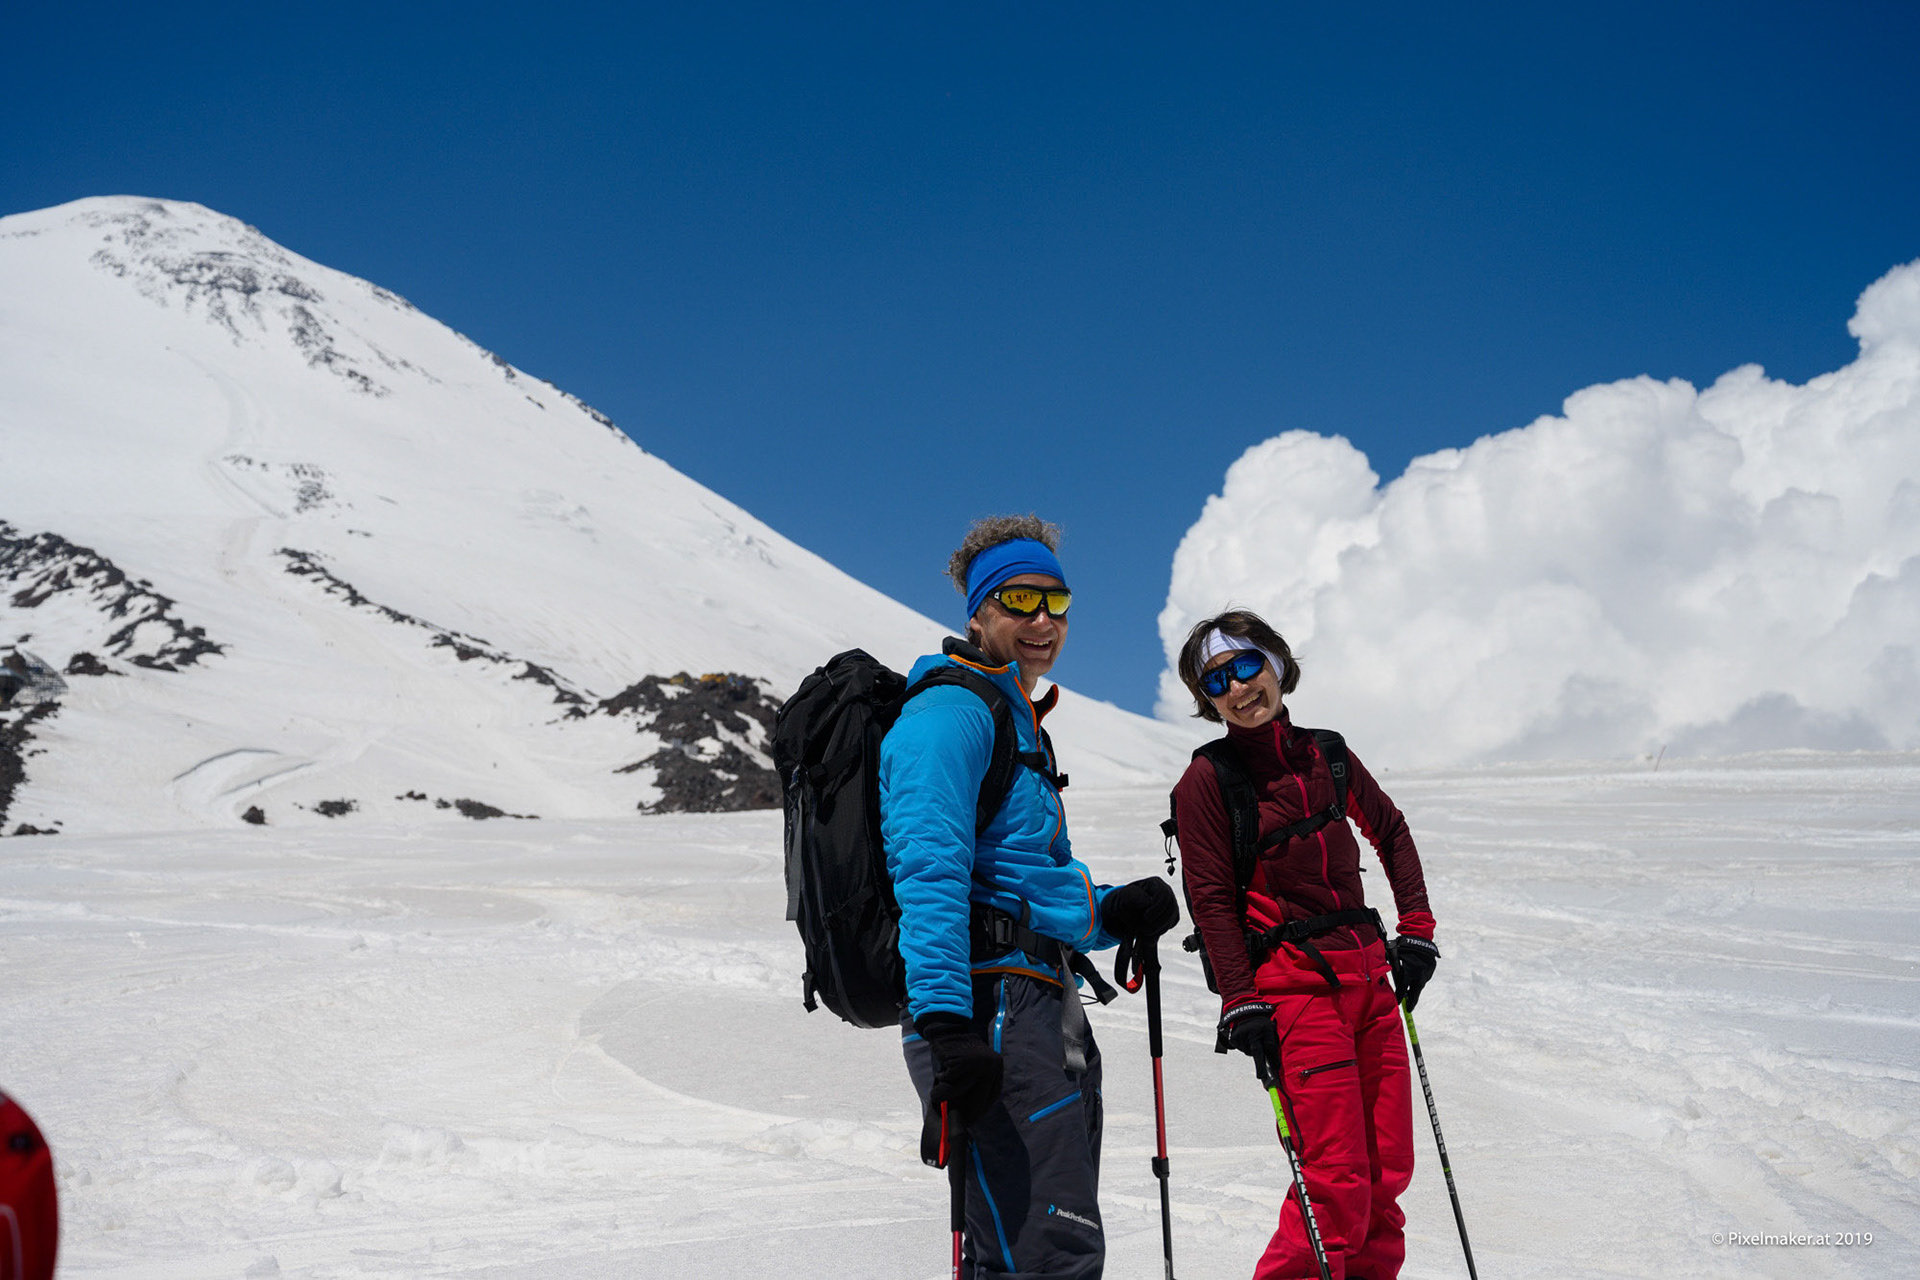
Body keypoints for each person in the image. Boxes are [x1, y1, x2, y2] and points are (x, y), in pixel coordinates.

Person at [882, 515, 1179, 1279]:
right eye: (1020, 599)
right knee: (1048, 1256)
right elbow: (930, 873)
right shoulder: (950, 714)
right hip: (991, 1010)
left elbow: (1024, 881)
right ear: (978, 612)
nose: (1043, 620)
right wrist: (950, 1028)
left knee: (1036, 1251)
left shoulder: (1020, 723)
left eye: (1058, 602)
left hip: (1041, 1006)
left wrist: (1110, 912)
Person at [1172, 609, 1439, 1280]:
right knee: (1335, 1181)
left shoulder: (1330, 755)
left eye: (1247, 664)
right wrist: (1240, 999)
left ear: (1276, 664)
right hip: (1293, 998)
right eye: (1217, 681)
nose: (1239, 687)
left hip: (1371, 988)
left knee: (1386, 1173)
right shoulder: (1207, 782)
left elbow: (1391, 830)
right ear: (1209, 701)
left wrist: (1417, 934)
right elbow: (1209, 901)